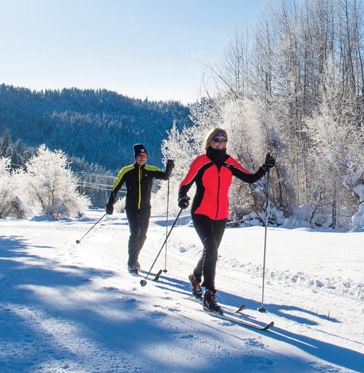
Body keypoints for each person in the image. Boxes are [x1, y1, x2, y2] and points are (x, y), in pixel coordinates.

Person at [177, 128, 275, 312]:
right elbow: (185, 183)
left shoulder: (229, 162)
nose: (220, 143)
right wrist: (182, 197)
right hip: (201, 211)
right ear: (209, 142)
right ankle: (209, 293)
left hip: (221, 214)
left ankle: (195, 276)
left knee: (211, 249)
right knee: (211, 247)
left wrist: (265, 167)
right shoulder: (201, 162)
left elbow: (250, 178)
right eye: (217, 139)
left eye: (224, 140)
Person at [107, 143, 174, 275]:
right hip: (131, 207)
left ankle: (135, 258)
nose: (142, 158)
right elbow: (116, 187)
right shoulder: (126, 171)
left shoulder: (150, 170)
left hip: (145, 208)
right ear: (135, 157)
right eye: (140, 156)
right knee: (135, 232)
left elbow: (165, 177)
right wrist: (110, 203)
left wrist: (169, 167)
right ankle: (131, 262)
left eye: (145, 156)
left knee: (142, 236)